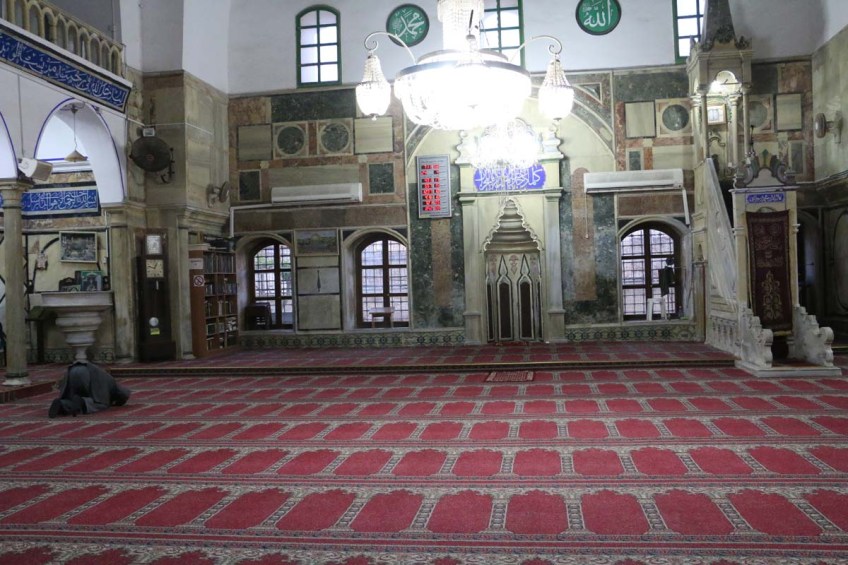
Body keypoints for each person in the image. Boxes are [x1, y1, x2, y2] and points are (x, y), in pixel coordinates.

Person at [48, 361, 131, 418]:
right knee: (101, 404)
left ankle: (62, 404)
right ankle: (82, 402)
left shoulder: (103, 374)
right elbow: (124, 394)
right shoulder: (111, 382)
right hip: (86, 373)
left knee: (73, 398)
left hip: (72, 370)